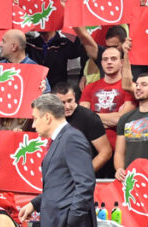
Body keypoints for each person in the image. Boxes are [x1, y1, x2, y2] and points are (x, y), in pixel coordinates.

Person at [18, 94, 97, 227]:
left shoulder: (72, 138)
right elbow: (60, 185)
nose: (33, 124)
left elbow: (86, 183)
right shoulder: (62, 139)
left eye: (35, 118)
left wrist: (72, 220)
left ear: (48, 117)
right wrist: (34, 204)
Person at [80, 44, 135, 158]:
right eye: (105, 59)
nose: (109, 62)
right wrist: (111, 119)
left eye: (113, 59)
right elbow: (82, 120)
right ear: (101, 63)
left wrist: (93, 116)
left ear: (121, 62)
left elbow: (122, 119)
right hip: (92, 148)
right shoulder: (89, 87)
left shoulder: (130, 88)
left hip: (120, 150)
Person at [53, 83, 113, 174]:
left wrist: (84, 174)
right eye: (62, 103)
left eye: (70, 101)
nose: (67, 106)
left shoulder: (89, 118)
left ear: (74, 96)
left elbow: (106, 152)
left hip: (83, 178)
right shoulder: (51, 117)